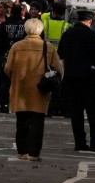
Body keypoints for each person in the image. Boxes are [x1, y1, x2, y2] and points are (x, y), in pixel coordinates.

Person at [4, 17, 61, 161]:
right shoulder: (48, 47)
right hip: (40, 89)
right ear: (41, 30)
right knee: (37, 122)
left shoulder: (17, 46)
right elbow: (58, 68)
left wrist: (15, 78)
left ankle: (22, 151)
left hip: (20, 89)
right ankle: (34, 153)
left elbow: (8, 68)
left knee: (21, 121)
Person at [57, 10, 95, 152]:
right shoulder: (90, 35)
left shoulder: (67, 34)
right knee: (94, 113)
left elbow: (60, 53)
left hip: (71, 78)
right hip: (88, 78)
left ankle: (80, 142)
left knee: (76, 113)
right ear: (90, 21)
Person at [0, 1, 26, 113]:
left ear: (10, 12)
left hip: (6, 57)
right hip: (22, 58)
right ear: (21, 13)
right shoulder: (25, 25)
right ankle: (19, 104)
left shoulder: (4, 25)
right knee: (20, 81)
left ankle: (4, 104)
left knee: (5, 82)